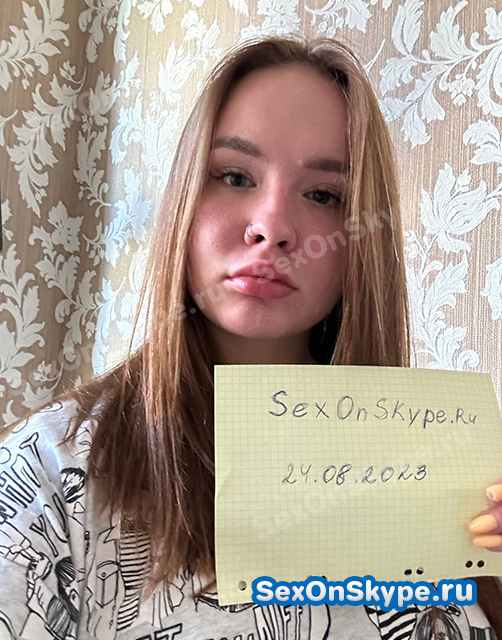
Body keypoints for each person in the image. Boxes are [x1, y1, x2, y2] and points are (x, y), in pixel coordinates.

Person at [0, 33, 500, 640]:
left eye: (323, 195)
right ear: (184, 198)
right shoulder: (49, 470)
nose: (272, 226)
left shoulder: (440, 473)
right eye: (235, 176)